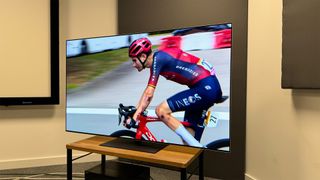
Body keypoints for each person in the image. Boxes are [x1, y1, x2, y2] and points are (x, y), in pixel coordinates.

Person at [125, 37, 222, 147]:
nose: (133, 64)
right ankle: (198, 151)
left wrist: (135, 117)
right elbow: (148, 89)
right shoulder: (157, 61)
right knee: (188, 144)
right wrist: (136, 110)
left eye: (134, 60)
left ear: (143, 56)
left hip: (206, 88)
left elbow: (149, 94)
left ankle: (198, 148)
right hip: (206, 87)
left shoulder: (158, 59)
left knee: (161, 110)